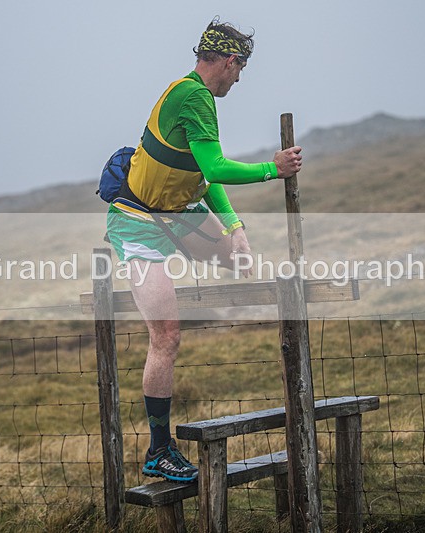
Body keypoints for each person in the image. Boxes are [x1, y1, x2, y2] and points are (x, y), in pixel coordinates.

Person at [105, 18, 303, 482]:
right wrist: (273, 170)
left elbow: (205, 175)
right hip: (137, 220)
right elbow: (216, 165)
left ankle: (254, 321)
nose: (241, 78)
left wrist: (235, 227)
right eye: (241, 68)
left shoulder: (199, 98)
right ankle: (159, 450)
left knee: (239, 258)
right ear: (231, 61)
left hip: (176, 211)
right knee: (167, 337)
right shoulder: (193, 96)